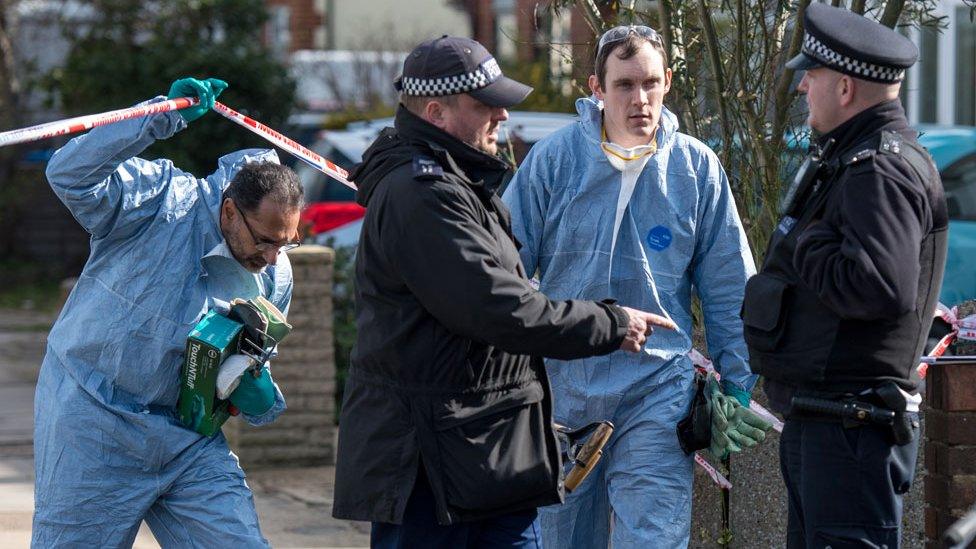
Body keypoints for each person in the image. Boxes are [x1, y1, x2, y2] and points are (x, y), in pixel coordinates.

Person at [330, 35, 677, 547]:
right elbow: (500, 308)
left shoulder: (455, 182)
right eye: (486, 104)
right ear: (436, 112)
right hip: (434, 470)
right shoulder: (421, 196)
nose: (502, 116)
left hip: (484, 458)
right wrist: (612, 324)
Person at [502, 25, 758, 547]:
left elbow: (728, 283)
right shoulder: (555, 162)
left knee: (654, 538)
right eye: (623, 85)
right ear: (596, 87)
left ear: (667, 82)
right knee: (561, 539)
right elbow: (502, 268)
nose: (639, 99)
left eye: (649, 83)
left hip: (656, 389)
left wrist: (737, 380)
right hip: (563, 393)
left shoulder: (695, 169)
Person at [33, 77, 303, 547]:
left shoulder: (275, 277)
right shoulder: (158, 202)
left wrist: (255, 390)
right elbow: (69, 174)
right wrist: (155, 118)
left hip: (188, 440)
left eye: (287, 243)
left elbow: (252, 362)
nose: (272, 258)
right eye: (264, 240)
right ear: (229, 212)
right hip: (93, 426)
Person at [741, 4, 948, 547]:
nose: (805, 85)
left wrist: (807, 238)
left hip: (852, 431)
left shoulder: (878, 168)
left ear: (846, 87)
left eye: (813, 75)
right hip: (831, 423)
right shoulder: (856, 157)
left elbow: (880, 285)